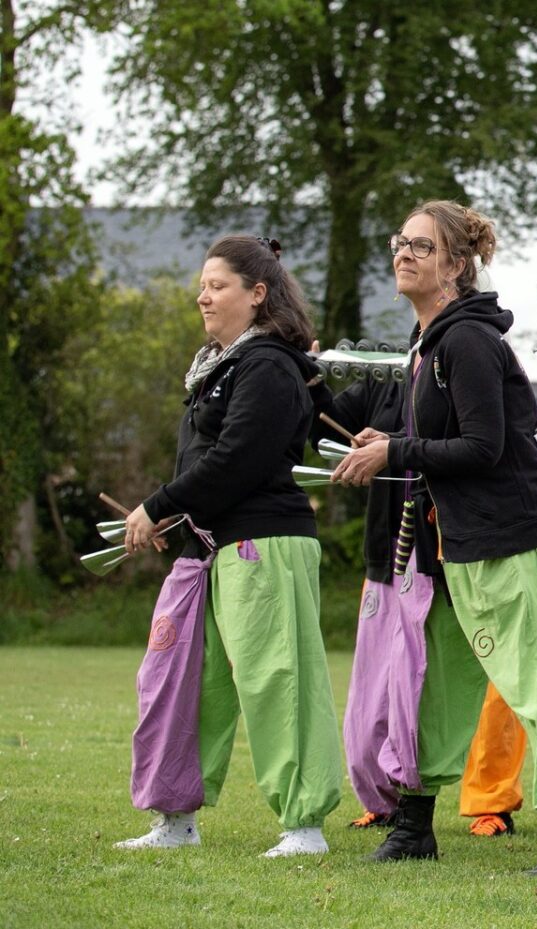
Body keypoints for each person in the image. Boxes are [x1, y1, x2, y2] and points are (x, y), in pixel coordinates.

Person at [331, 200, 537, 874]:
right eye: (400, 242)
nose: (404, 253)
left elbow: (485, 447)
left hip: (508, 539)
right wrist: (392, 443)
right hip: (447, 547)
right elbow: (436, 442)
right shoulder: (430, 342)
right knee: (432, 688)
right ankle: (414, 825)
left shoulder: (469, 341)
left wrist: (396, 452)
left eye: (420, 246)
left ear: (456, 264)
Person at [116, 235, 344, 857]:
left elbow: (238, 459)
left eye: (217, 285)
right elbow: (207, 462)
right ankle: (176, 820)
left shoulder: (268, 364)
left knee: (278, 681)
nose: (203, 296)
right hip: (205, 549)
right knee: (188, 682)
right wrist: (178, 521)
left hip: (264, 544)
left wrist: (159, 504)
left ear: (257, 294)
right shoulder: (217, 367)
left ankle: (304, 826)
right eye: (203, 285)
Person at [318, 282, 528, 850]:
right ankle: (390, 801)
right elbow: (322, 424)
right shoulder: (391, 376)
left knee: (481, 686)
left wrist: (394, 446)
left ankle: (491, 801)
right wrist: (303, 370)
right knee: (387, 692)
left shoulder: (464, 358)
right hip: (390, 552)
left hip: (459, 548)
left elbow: (483, 445)